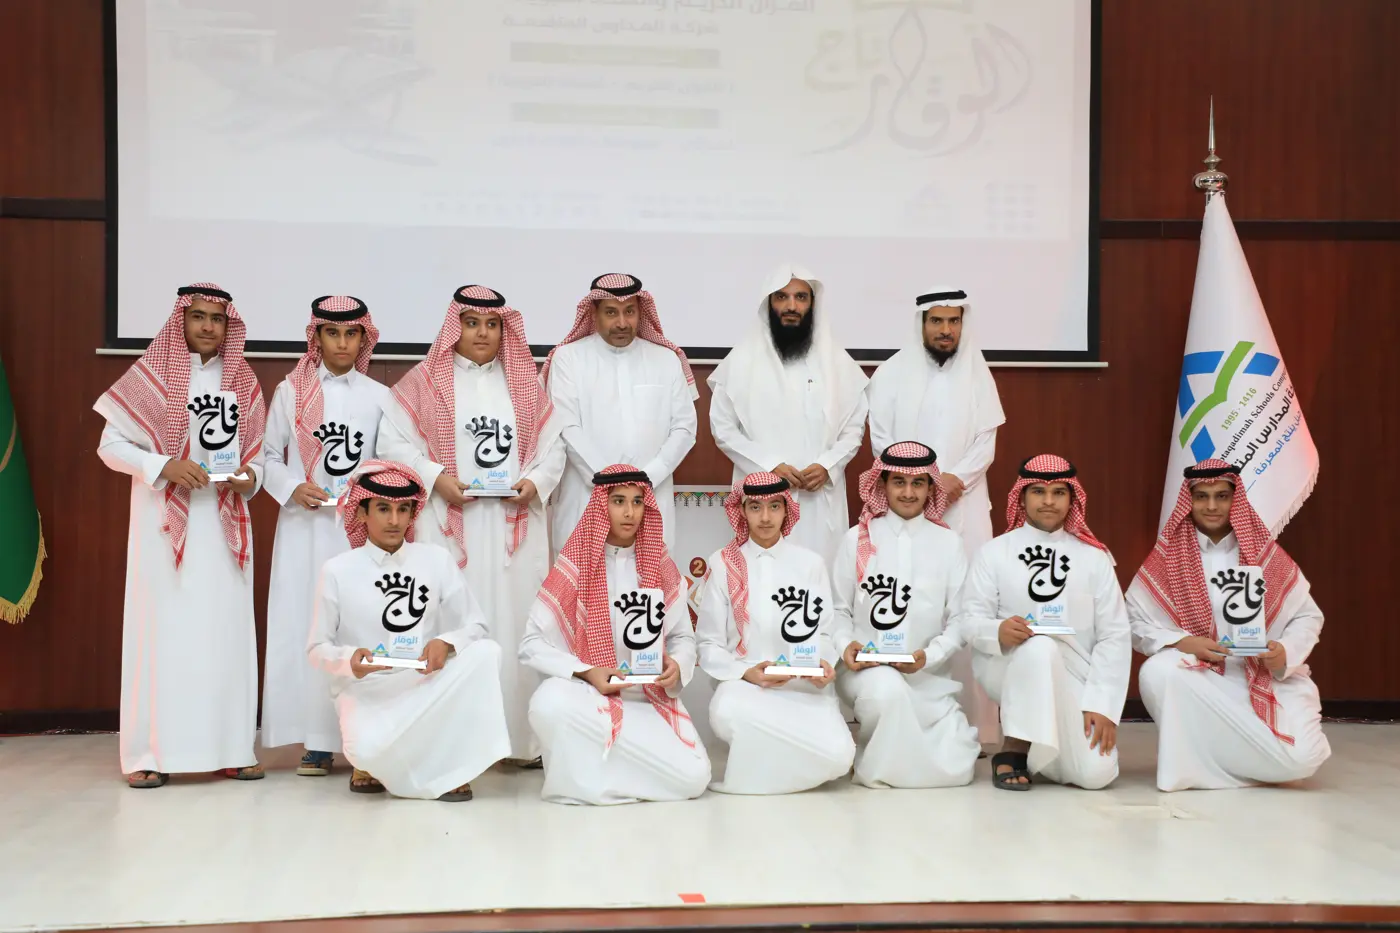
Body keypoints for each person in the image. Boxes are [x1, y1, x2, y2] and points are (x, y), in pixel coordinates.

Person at [378, 285, 564, 766]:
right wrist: (435, 478)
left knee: (515, 624)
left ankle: (519, 743)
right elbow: (392, 443)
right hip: (449, 527)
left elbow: (554, 448)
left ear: (505, 330)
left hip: (511, 531)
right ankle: (452, 744)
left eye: (492, 324)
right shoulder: (422, 382)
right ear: (454, 327)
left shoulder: (526, 385)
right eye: (472, 323)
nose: (482, 333)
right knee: (452, 624)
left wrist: (534, 482)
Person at [93, 283, 267, 788]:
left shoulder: (243, 381)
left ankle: (232, 749)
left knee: (225, 635)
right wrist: (164, 465)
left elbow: (257, 460)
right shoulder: (150, 375)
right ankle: (149, 753)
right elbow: (110, 446)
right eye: (198, 317)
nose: (208, 326)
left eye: (218, 318)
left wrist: (250, 478)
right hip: (162, 531)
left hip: (223, 525)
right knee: (161, 636)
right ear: (181, 321)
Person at [308, 461, 511, 801]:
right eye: (383, 509)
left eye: (403, 509)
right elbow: (317, 648)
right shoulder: (337, 570)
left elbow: (476, 624)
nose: (394, 520)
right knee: (366, 749)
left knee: (487, 652)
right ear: (361, 513)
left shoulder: (436, 559)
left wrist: (446, 642)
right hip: (367, 692)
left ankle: (450, 769)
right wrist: (350, 659)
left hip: (422, 685)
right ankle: (376, 763)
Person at [1128, 459, 1330, 791]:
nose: (1211, 506)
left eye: (1222, 496)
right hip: (1203, 677)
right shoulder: (1168, 557)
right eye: (1201, 496)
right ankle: (1201, 768)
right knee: (1158, 672)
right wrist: (1182, 642)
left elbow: (1308, 616)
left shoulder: (1264, 555)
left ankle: (1222, 765)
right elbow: (1134, 621)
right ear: (1189, 500)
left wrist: (1285, 651)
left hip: (1264, 677)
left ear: (1235, 500)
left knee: (1304, 759)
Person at [519, 465, 709, 805]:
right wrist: (587, 672)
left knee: (695, 776)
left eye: (637, 502)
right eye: (619, 501)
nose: (629, 512)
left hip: (646, 699)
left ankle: (591, 780)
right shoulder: (575, 565)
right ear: (601, 505)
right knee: (547, 703)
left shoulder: (660, 567)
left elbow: (683, 639)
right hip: (588, 700)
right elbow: (531, 644)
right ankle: (617, 772)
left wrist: (677, 666)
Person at [867, 287, 1006, 746]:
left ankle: (980, 727)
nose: (946, 330)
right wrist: (921, 482)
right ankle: (906, 719)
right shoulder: (890, 374)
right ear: (921, 323)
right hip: (904, 507)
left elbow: (986, 442)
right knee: (910, 601)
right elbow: (881, 441)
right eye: (937, 321)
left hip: (967, 506)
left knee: (972, 606)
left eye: (953, 321)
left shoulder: (978, 373)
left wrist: (952, 480)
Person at [261, 295, 388, 776]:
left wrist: (367, 493)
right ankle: (316, 742)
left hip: (359, 533)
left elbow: (389, 461)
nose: (342, 343)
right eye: (332, 333)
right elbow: (267, 457)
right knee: (306, 624)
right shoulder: (291, 391)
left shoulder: (379, 396)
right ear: (316, 337)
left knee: (358, 624)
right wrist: (293, 487)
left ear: (363, 338)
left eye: (351, 334)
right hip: (303, 529)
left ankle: (361, 741)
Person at [955, 455, 1130, 791]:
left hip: (1074, 673)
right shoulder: (995, 553)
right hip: (1009, 665)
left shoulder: (1094, 558)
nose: (1048, 501)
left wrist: (1102, 704)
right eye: (1038, 491)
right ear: (1022, 497)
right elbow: (968, 620)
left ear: (1072, 498)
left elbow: (1114, 635)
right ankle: (1015, 747)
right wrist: (997, 631)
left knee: (1096, 775)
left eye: (1058, 492)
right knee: (1039, 648)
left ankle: (1042, 749)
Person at [831, 442, 980, 789]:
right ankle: (876, 765)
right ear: (882, 485)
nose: (909, 493)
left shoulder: (948, 544)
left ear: (930, 487)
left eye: (918, 483)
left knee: (958, 769)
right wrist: (845, 645)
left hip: (928, 676)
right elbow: (837, 610)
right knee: (886, 692)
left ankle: (882, 753)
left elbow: (961, 619)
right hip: (867, 672)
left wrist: (929, 656)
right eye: (899, 482)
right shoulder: (857, 539)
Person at [696, 472, 854, 794]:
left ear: (786, 509)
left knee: (841, 757)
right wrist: (746, 673)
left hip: (802, 687)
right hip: (746, 688)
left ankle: (763, 770)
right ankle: (796, 765)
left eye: (774, 506)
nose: (765, 517)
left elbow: (825, 633)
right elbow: (709, 643)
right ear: (742, 510)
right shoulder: (723, 564)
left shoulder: (810, 564)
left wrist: (822, 663)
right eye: (755, 507)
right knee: (725, 712)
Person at [708, 263, 868, 569]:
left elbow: (854, 427)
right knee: (760, 580)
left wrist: (828, 465)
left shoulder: (837, 363)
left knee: (819, 579)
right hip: (762, 499)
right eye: (781, 297)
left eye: (800, 297)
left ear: (812, 304)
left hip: (819, 500)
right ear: (768, 304)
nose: (791, 306)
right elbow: (723, 428)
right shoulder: (741, 361)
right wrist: (769, 466)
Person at [539, 274, 697, 554]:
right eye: (611, 312)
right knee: (583, 579)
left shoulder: (666, 360)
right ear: (594, 313)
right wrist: (608, 483)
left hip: (650, 496)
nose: (622, 323)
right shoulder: (568, 359)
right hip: (585, 498)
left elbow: (684, 428)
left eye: (630, 312)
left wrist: (646, 480)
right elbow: (566, 426)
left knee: (649, 580)